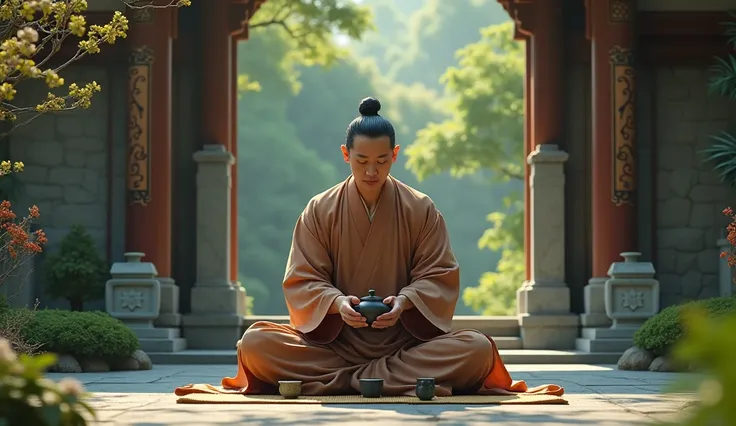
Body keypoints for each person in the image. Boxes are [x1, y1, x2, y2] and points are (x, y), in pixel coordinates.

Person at [175, 97, 563, 398]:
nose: (372, 171)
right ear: (346, 155)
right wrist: (336, 304)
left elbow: (439, 275)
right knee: (256, 344)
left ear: (395, 154)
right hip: (335, 345)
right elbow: (302, 278)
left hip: (403, 344)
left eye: (381, 160)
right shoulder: (320, 209)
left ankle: (344, 384)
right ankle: (374, 381)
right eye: (361, 160)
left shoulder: (420, 208)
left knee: (477, 349)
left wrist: (406, 302)